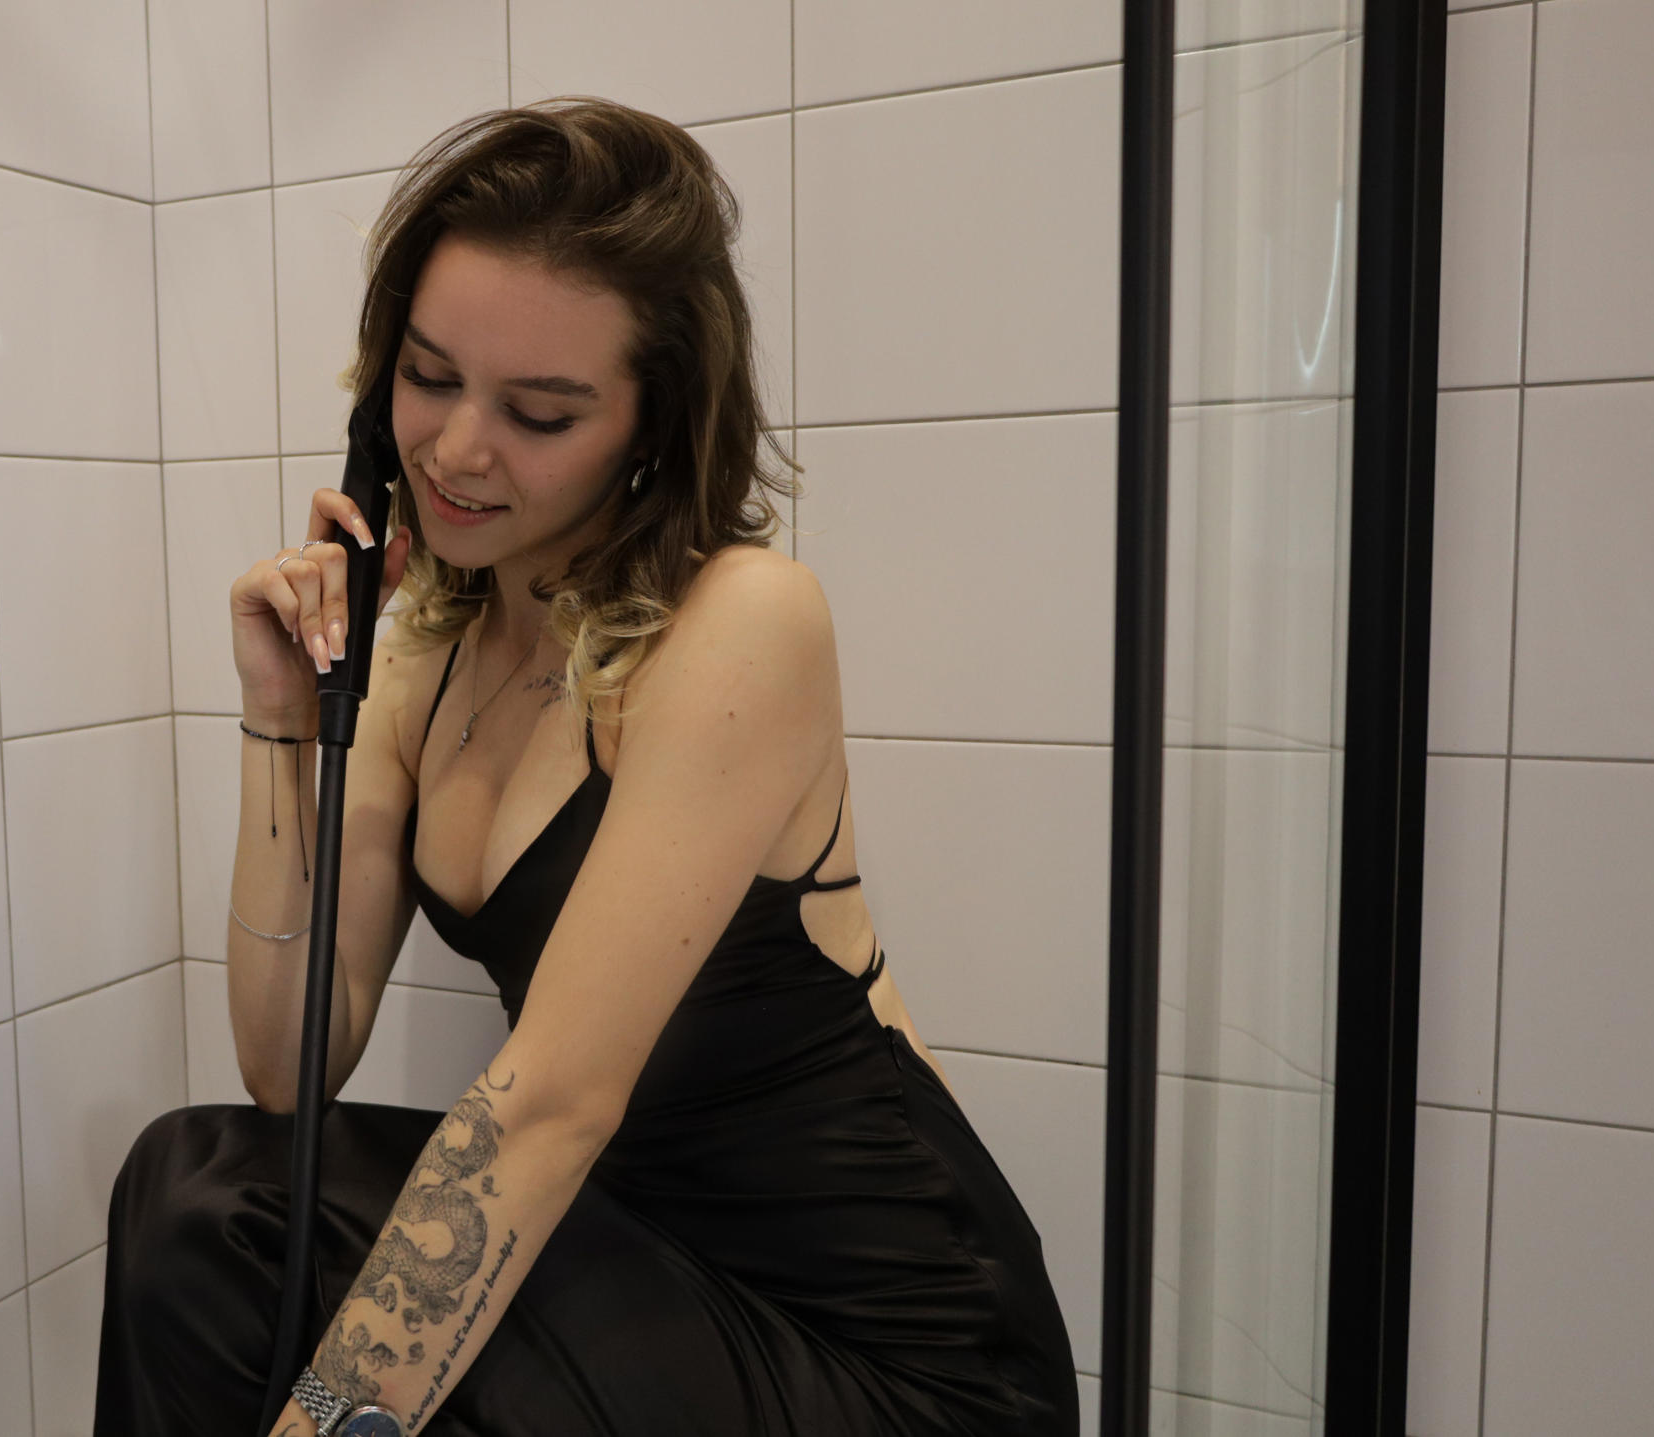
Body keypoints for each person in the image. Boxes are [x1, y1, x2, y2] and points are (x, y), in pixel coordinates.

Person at [94, 97, 1079, 1436]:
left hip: (883, 1345)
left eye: (541, 413)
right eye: (429, 377)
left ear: (649, 427)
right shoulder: (424, 658)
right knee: (203, 1199)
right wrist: (282, 708)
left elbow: (549, 1104)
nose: (457, 450)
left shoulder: (742, 623)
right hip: (639, 1261)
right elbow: (288, 1070)